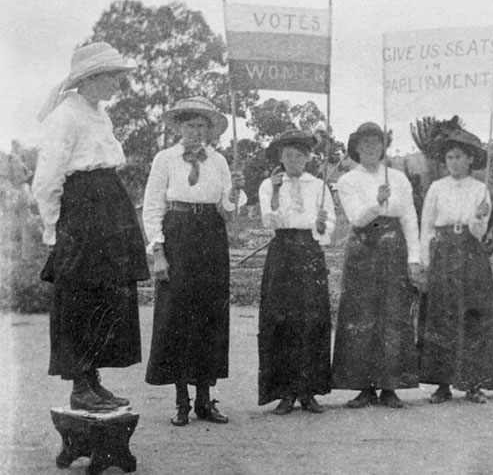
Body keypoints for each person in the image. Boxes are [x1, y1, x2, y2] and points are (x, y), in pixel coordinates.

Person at [32, 42, 148, 412]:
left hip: (109, 208)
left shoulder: (98, 114)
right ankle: (79, 385)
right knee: (81, 296)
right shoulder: (64, 116)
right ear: (91, 77)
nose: (118, 83)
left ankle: (92, 380)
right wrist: (53, 231)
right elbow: (47, 179)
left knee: (107, 296)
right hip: (81, 214)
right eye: (113, 76)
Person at [142, 97, 245, 426]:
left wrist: (236, 195)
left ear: (210, 130)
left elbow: (228, 212)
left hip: (211, 237)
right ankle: (181, 402)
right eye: (190, 125)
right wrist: (158, 251)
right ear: (179, 127)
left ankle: (205, 400)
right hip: (178, 234)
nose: (196, 132)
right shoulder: (165, 159)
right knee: (177, 317)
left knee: (209, 315)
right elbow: (153, 206)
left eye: (202, 126)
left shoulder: (218, 161)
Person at [331, 122, 423, 409]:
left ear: (384, 147)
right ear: (356, 148)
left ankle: (390, 385)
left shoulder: (398, 178)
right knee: (362, 315)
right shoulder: (348, 180)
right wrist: (376, 201)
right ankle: (364, 387)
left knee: (393, 315)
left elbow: (409, 217)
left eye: (376, 143)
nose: (370, 149)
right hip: (363, 249)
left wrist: (414, 258)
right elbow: (356, 217)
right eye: (364, 144)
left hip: (394, 248)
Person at [418, 122, 493, 404]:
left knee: (473, 316)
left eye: (459, 157)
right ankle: (442, 384)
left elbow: (480, 233)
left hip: (470, 253)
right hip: (443, 251)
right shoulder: (436, 187)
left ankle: (473, 383)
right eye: (450, 157)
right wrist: (425, 261)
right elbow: (427, 226)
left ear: (470, 159)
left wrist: (480, 217)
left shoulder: (480, 189)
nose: (454, 162)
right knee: (441, 315)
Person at [256, 130, 335, 415]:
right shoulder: (269, 185)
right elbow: (269, 220)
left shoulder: (319, 185)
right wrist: (277, 190)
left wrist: (323, 225)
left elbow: (329, 226)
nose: (295, 160)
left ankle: (309, 391)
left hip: (310, 251)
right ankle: (285, 392)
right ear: (280, 157)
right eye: (289, 155)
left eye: (300, 155)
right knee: (281, 320)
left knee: (312, 320)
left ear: (308, 157)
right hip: (283, 251)